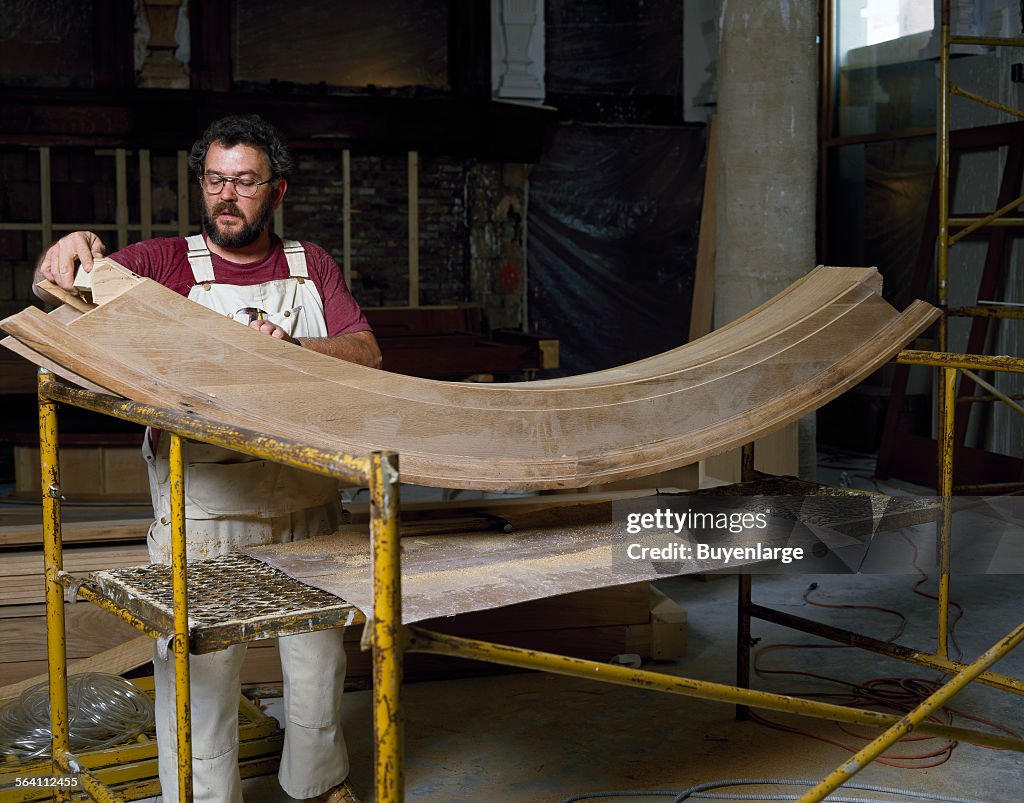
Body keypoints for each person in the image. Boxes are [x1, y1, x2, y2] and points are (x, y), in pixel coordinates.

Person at [34, 114, 379, 803]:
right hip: (206, 505)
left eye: (245, 181)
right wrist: (66, 250)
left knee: (315, 660)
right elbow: (59, 293)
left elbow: (367, 354)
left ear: (276, 191)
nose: (227, 195)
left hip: (309, 499)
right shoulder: (165, 263)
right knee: (201, 669)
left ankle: (316, 784)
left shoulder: (312, 267)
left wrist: (289, 351)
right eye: (215, 180)